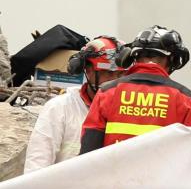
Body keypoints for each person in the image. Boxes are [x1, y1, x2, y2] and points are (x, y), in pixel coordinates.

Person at [80, 26, 191, 153]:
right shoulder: (186, 99)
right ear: (172, 59)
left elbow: (88, 150)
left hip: (115, 172)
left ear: (134, 57)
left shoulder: (107, 93)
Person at [25, 36, 124, 171]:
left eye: (120, 75)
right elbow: (37, 164)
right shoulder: (60, 108)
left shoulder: (128, 109)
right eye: (108, 73)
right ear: (88, 70)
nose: (115, 81)